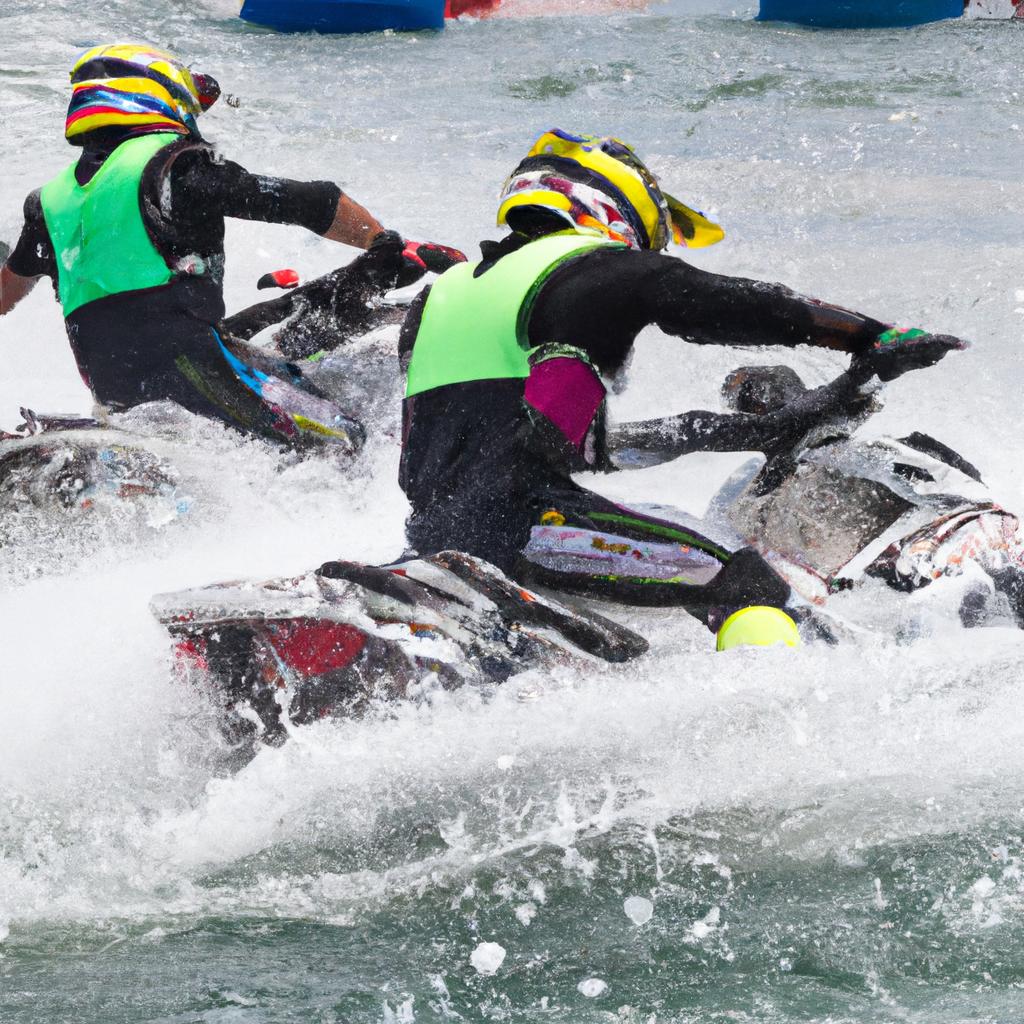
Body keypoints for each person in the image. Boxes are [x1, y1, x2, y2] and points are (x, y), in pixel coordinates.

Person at [396, 129, 967, 649]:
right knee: (746, 583)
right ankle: (799, 716)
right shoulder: (600, 272)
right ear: (618, 206)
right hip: (529, 530)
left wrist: (751, 430)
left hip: (433, 532)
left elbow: (520, 437)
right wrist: (874, 336)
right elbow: (747, 305)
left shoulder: (440, 298)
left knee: (661, 528)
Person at [0, 43, 464, 451]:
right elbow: (312, 201)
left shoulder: (48, 202)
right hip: (192, 367)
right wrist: (383, 242)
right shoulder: (174, 166)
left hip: (110, 385)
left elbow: (8, 292)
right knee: (344, 435)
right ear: (159, 95)